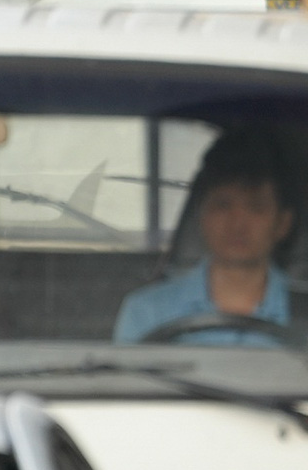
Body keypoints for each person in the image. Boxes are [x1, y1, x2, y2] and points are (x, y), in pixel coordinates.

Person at [113, 134, 296, 346]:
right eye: (223, 205)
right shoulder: (146, 312)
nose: (237, 224)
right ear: (202, 216)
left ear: (283, 223)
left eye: (255, 208)